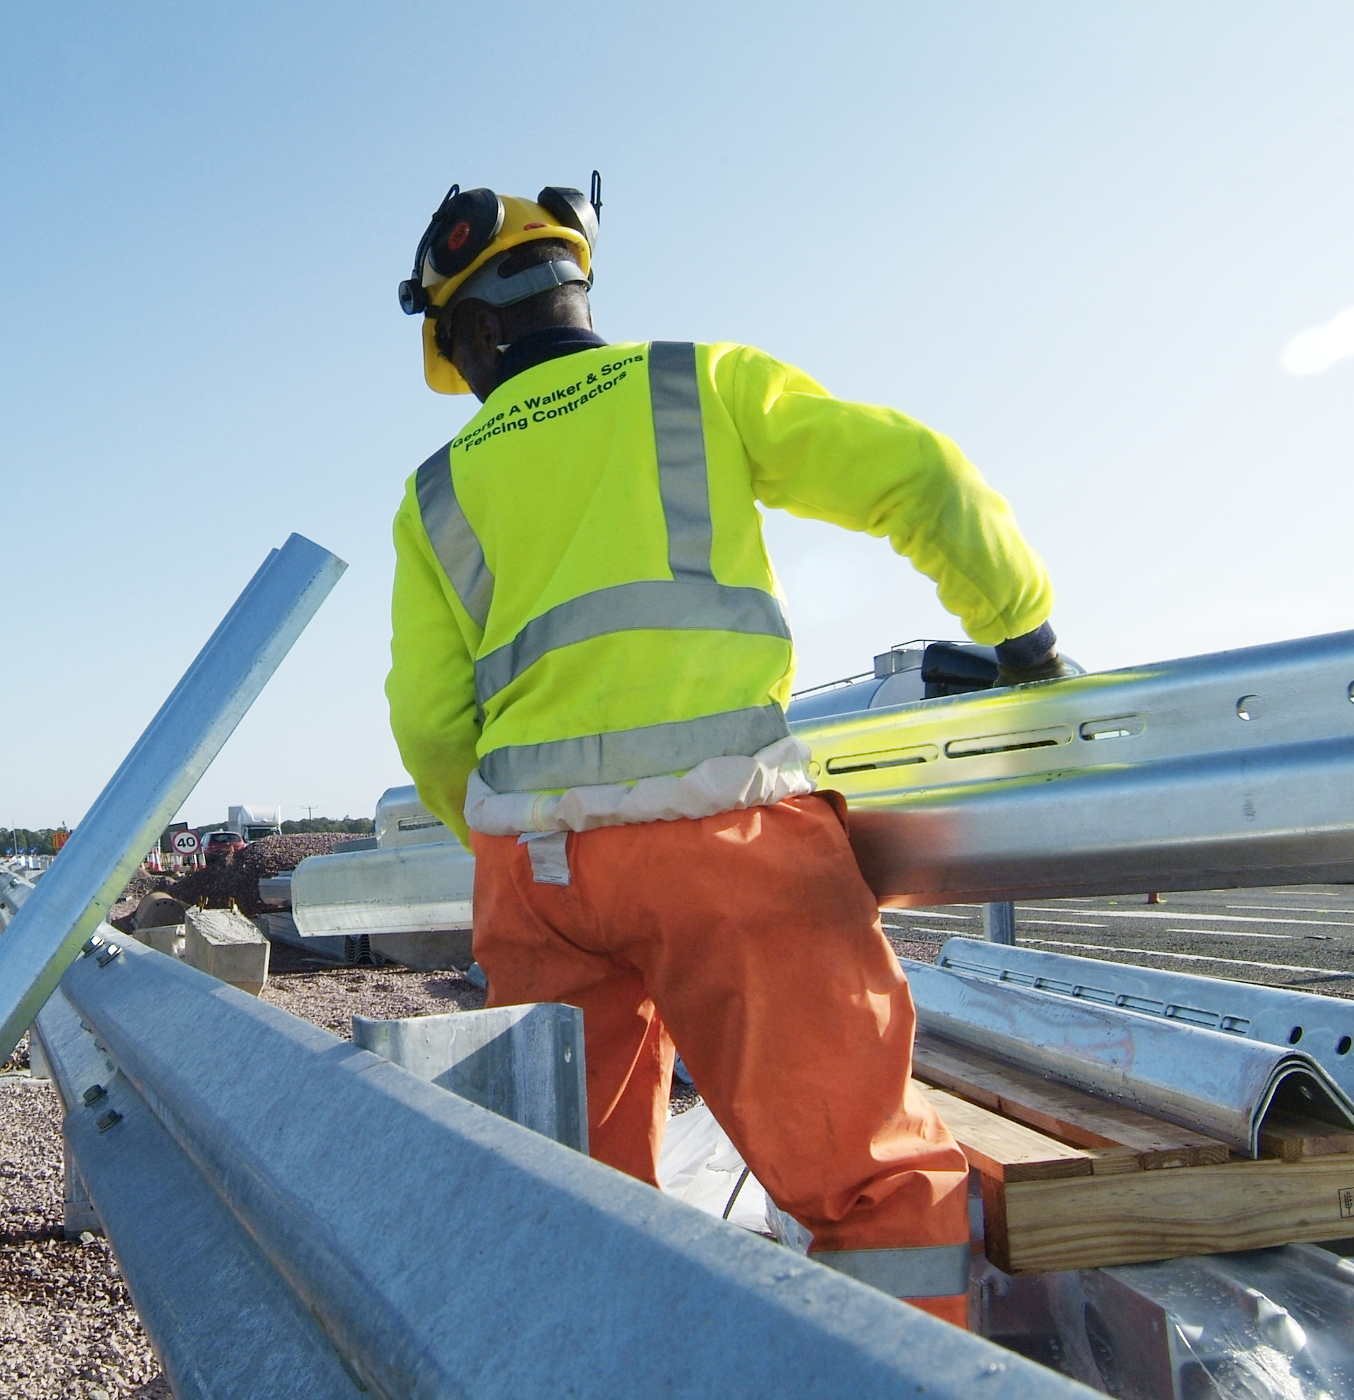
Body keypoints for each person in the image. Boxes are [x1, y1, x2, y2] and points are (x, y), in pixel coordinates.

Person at [385, 179, 1073, 1328]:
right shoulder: (693, 383)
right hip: (727, 845)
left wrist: (509, 837)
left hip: (536, 877)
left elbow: (428, 718)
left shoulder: (437, 491)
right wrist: (1026, 633)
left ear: (472, 328)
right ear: (567, 288)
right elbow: (922, 474)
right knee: (866, 1181)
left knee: (569, 1197)